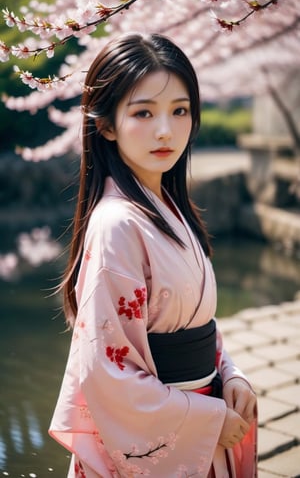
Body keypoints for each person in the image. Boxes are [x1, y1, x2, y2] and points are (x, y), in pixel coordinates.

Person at [49, 32, 257, 477]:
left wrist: (231, 377)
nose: (166, 130)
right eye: (143, 112)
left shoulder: (170, 209)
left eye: (180, 111)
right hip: (177, 435)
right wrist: (208, 419)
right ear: (105, 125)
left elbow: (196, 327)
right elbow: (108, 377)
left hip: (200, 422)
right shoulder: (116, 225)